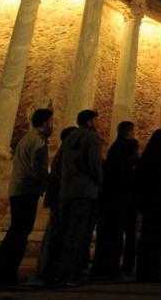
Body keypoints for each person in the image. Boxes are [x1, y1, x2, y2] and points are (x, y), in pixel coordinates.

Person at [0, 108, 54, 285]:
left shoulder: (27, 138)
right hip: (26, 191)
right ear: (46, 122)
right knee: (19, 234)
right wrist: (49, 184)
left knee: (15, 233)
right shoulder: (38, 142)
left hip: (19, 190)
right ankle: (5, 275)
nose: (52, 125)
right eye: (51, 122)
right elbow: (38, 168)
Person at [55, 110, 103, 286]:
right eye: (96, 120)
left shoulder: (69, 137)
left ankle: (61, 273)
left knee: (66, 232)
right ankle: (73, 274)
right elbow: (94, 164)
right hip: (85, 191)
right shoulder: (91, 138)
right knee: (80, 234)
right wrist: (100, 182)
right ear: (90, 122)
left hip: (68, 190)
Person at [92, 121, 140, 280]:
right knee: (119, 234)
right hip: (123, 196)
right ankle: (115, 269)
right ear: (129, 132)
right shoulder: (130, 146)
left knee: (107, 233)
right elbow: (130, 167)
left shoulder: (113, 148)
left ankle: (102, 268)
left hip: (109, 195)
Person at [35, 126, 77, 284]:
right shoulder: (65, 155)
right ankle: (51, 271)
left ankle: (48, 270)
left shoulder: (61, 154)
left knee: (55, 234)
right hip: (62, 199)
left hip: (60, 198)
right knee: (57, 235)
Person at [136, 129, 161, 282]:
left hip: (147, 202)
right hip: (160, 201)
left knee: (146, 237)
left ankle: (143, 272)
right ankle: (154, 272)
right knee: (156, 238)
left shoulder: (146, 156)